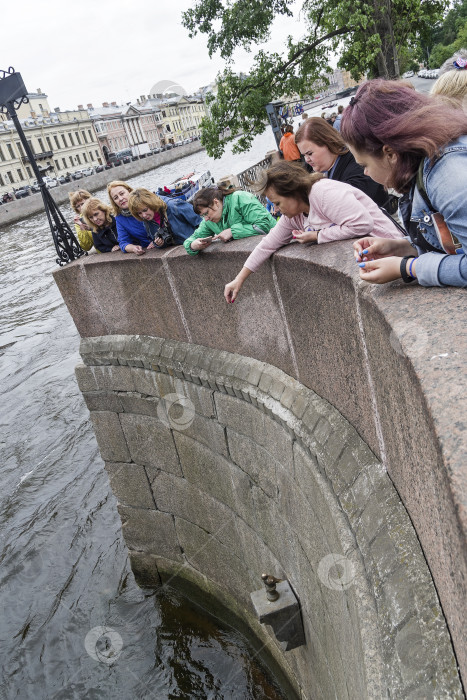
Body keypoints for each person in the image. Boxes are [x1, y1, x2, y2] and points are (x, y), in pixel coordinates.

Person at [340, 79, 467, 287]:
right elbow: (453, 242)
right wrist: (399, 248)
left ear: (390, 153)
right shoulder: (430, 162)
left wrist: (408, 267)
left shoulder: (448, 178)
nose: (365, 172)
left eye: (365, 164)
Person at [223, 161, 403, 303]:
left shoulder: (322, 193)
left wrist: (319, 236)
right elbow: (267, 244)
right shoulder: (294, 215)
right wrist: (238, 280)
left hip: (395, 250)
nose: (276, 210)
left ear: (292, 191)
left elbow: (363, 224)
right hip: (378, 260)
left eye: (277, 203)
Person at [295, 117, 389, 207]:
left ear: (328, 142)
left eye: (310, 153)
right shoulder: (332, 164)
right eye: (304, 155)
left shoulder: (357, 162)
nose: (307, 160)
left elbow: (350, 200)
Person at [184, 186, 277, 255]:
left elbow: (264, 226)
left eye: (206, 213)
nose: (206, 218)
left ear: (216, 202)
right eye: (202, 216)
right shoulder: (209, 221)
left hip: (276, 244)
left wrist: (232, 231)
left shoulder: (240, 197)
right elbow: (192, 239)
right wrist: (193, 246)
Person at [128, 187, 201, 247]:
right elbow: (155, 239)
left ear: (151, 203)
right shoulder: (147, 220)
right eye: (139, 213)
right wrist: (160, 244)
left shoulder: (174, 206)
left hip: (197, 243)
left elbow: (201, 222)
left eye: (145, 210)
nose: (143, 215)